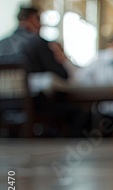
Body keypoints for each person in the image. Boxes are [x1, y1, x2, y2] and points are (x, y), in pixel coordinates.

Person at [0, 6, 87, 137]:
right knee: (79, 112)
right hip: (33, 104)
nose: (41, 25)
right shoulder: (37, 42)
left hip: (3, 106)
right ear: (29, 19)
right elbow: (62, 75)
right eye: (39, 19)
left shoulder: (2, 44)